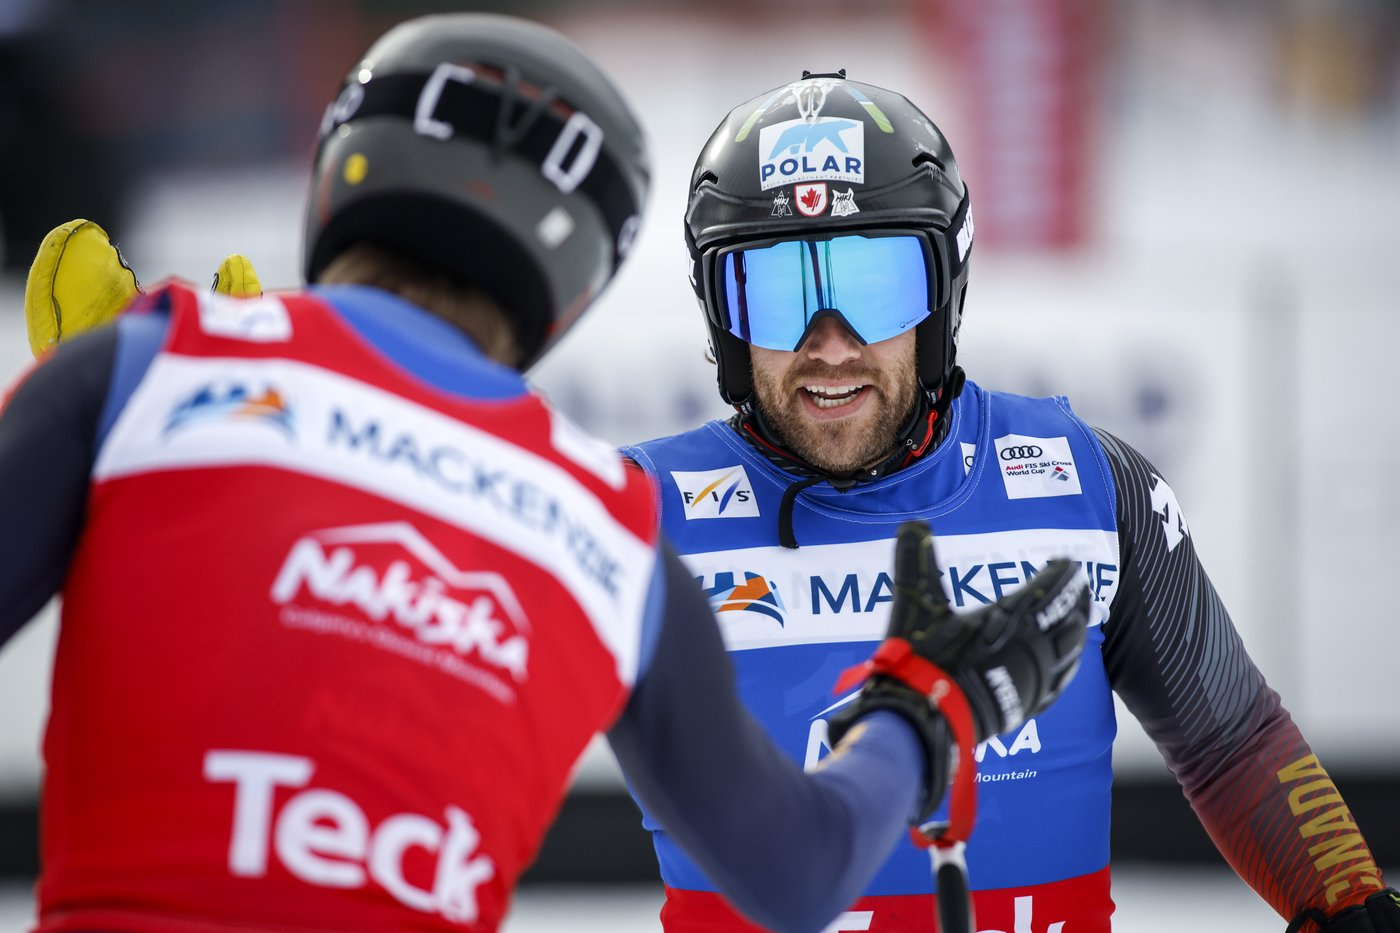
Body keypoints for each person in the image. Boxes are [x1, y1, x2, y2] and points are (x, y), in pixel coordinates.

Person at [0, 16, 1093, 933]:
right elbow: (794, 877)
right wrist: (919, 713)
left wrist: (117, 432)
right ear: (574, 280)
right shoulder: (612, 520)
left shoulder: (157, 365)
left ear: (337, 185)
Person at [619, 71, 1400, 933]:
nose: (829, 343)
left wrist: (1349, 900)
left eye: (875, 284)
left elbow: (1235, 743)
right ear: (720, 317)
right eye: (776, 292)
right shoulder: (633, 517)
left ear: (944, 294)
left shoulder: (1092, 485)